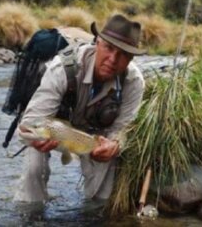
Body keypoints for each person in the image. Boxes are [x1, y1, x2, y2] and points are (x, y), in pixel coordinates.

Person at [14, 14, 146, 202]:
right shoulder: (63, 68)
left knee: (104, 192)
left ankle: (95, 213)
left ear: (131, 58)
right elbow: (27, 126)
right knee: (34, 169)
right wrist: (32, 139)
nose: (113, 59)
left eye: (123, 54)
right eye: (109, 48)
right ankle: (30, 215)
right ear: (97, 43)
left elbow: (123, 128)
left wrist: (115, 145)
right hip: (52, 129)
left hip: (95, 135)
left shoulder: (133, 82)